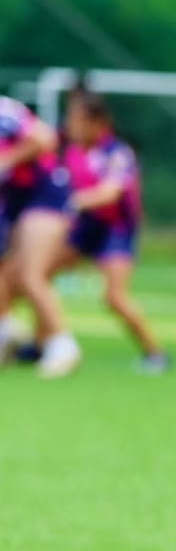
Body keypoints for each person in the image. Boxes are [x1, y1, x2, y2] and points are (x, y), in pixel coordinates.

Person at [49, 89, 169, 372]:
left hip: (115, 230)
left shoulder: (117, 153)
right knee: (36, 276)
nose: (71, 126)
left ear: (97, 122)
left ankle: (155, 354)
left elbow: (110, 193)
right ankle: (44, 342)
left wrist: (74, 202)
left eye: (77, 121)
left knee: (114, 298)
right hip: (85, 228)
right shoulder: (72, 151)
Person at [0, 94, 81, 378]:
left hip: (43, 195)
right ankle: (7, 332)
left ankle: (63, 345)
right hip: (14, 202)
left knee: (32, 275)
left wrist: (6, 161)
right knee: (7, 275)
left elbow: (44, 138)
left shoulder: (4, 111)